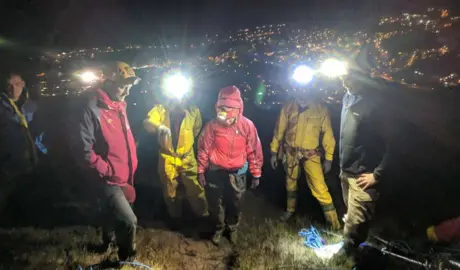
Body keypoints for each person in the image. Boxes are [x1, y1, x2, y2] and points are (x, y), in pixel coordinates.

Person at [69, 61, 140, 260]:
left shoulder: (119, 105)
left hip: (124, 175)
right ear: (108, 82)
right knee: (129, 221)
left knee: (111, 214)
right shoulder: (92, 108)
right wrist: (107, 170)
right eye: (122, 86)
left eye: (129, 86)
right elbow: (83, 149)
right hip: (108, 178)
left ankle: (107, 244)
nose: (126, 92)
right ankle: (127, 257)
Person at [337, 47, 390, 261]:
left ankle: (350, 256)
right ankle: (353, 249)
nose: (343, 78)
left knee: (357, 221)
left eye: (347, 74)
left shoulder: (374, 105)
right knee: (351, 216)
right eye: (342, 74)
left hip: (362, 176)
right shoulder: (346, 98)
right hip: (346, 172)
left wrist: (377, 174)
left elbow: (392, 144)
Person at [197, 85, 263, 245]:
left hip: (238, 171)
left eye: (228, 113)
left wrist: (256, 173)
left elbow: (254, 150)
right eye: (221, 110)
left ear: (237, 110)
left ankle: (232, 228)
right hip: (215, 171)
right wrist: (200, 170)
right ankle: (218, 229)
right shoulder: (211, 126)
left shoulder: (247, 126)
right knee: (216, 202)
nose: (225, 118)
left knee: (236, 202)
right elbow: (203, 148)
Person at [143, 75, 208, 228]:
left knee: (195, 187)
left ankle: (203, 216)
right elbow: (147, 122)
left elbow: (196, 130)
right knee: (169, 188)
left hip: (187, 156)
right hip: (167, 156)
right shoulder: (160, 109)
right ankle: (175, 217)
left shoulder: (193, 111)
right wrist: (158, 127)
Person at [270, 88, 340, 229]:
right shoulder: (289, 107)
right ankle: (290, 211)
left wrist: (329, 158)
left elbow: (328, 134)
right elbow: (279, 130)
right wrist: (274, 151)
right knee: (290, 183)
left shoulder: (320, 109)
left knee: (320, 188)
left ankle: (334, 223)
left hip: (311, 155)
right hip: (291, 153)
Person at [0, 73, 42, 222]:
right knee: (2, 190)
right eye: (9, 85)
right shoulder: (0, 105)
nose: (13, 88)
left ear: (22, 85)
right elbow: (12, 123)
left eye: (16, 84)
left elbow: (26, 121)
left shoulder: (18, 105)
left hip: (19, 158)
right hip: (8, 159)